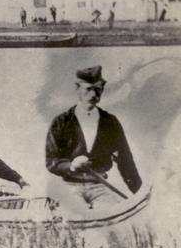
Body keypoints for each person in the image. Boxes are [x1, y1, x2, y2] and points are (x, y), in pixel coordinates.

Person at [45, 66, 142, 209]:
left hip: (100, 187)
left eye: (98, 89)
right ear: (77, 89)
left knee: (111, 219)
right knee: (75, 218)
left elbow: (125, 159)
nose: (93, 95)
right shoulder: (61, 122)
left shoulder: (110, 122)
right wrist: (71, 165)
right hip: (69, 187)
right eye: (88, 89)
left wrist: (139, 193)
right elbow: (51, 161)